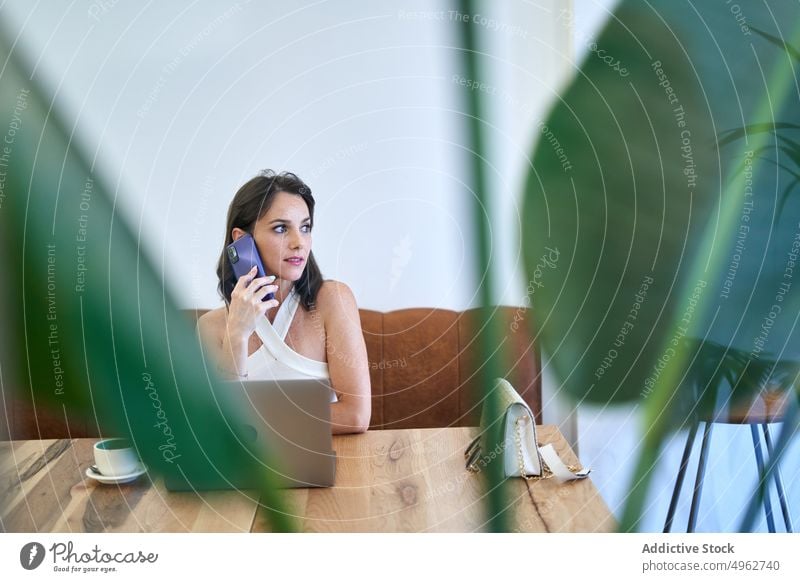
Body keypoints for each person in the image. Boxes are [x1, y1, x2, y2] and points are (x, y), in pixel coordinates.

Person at [197, 170, 371, 434]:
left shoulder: (332, 301)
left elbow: (355, 416)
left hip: (327, 468)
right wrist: (237, 334)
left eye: (305, 227)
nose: (299, 242)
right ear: (241, 240)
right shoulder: (210, 328)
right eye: (281, 228)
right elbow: (221, 429)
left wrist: (255, 421)